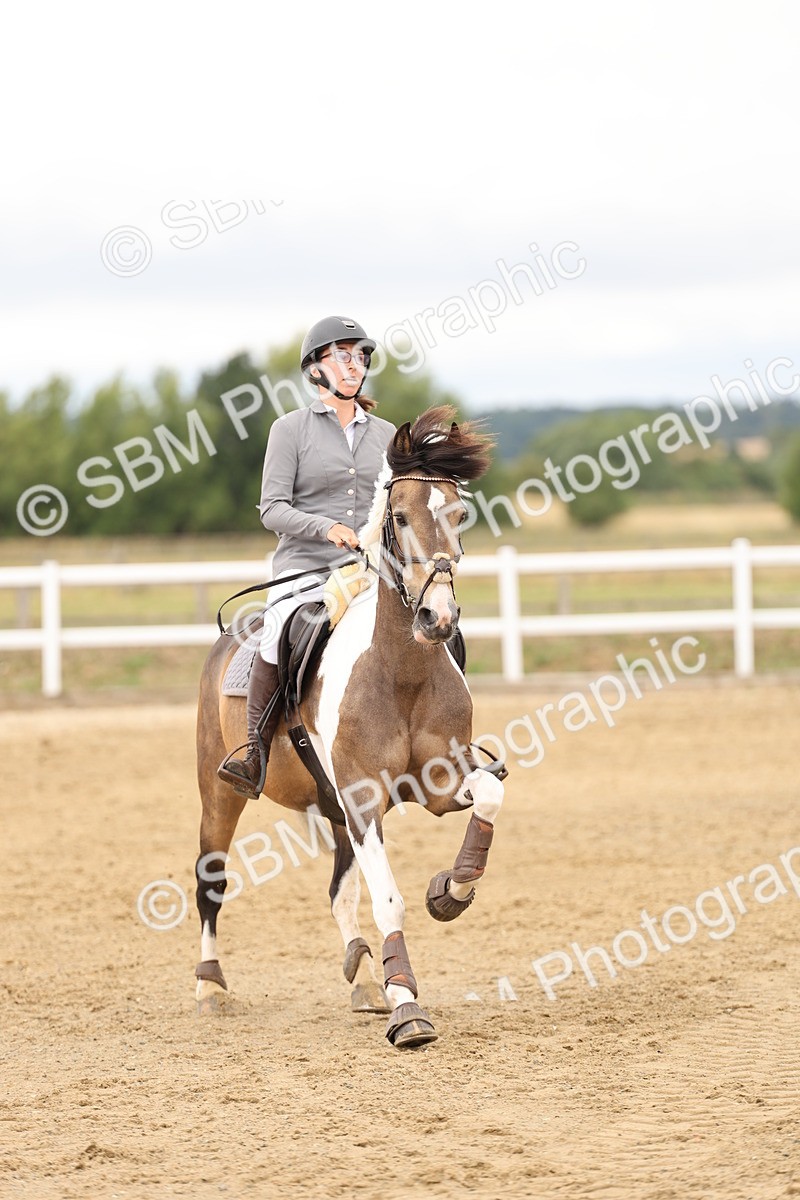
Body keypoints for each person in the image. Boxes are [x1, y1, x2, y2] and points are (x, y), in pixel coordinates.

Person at [218, 315, 396, 797]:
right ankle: (254, 751)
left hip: (367, 569)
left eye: (360, 356)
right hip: (305, 568)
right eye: (342, 355)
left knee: (426, 622)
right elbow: (272, 508)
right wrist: (326, 527)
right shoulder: (289, 430)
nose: (354, 365)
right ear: (316, 369)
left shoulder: (386, 436)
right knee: (277, 631)